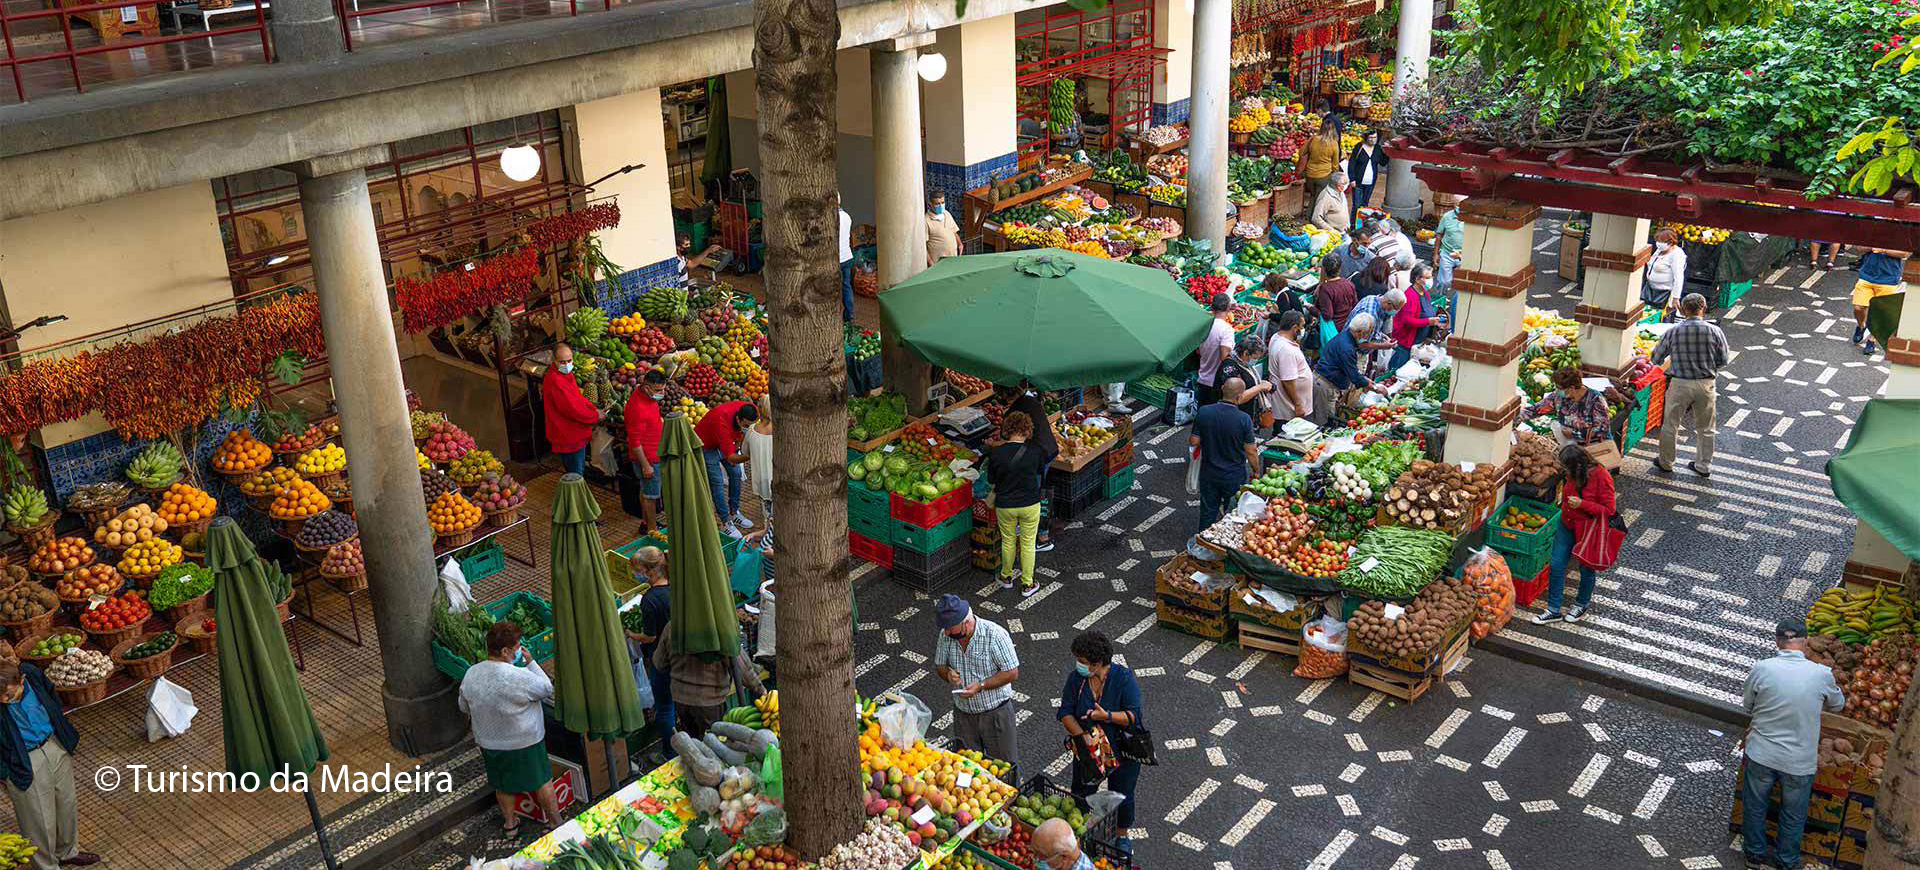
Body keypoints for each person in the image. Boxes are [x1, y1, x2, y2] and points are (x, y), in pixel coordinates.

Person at [1739, 618, 1845, 870]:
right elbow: (1838, 705)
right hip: (1799, 760)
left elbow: (1748, 705)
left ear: (1777, 642)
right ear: (1806, 642)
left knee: (1755, 806)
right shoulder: (1821, 674)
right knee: (1793, 814)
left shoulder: (1762, 668)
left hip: (1762, 753)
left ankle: (1754, 855)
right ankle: (1786, 860)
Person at [458, 622, 561, 836]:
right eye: (517, 647)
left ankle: (510, 824)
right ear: (505, 651)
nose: (519, 651)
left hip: (490, 742)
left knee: (503, 785)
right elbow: (546, 689)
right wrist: (531, 663)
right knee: (541, 781)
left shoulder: (471, 673)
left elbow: (463, 706)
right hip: (525, 741)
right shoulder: (519, 676)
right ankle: (556, 822)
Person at [0, 661, 97, 870]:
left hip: (54, 744)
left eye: (8, 694)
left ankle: (67, 852)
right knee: (37, 819)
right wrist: (5, 773)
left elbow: (52, 698)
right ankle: (46, 866)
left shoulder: (32, 675)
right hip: (23, 760)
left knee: (66, 803)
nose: (3, 700)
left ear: (22, 681)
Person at [1057, 630, 1143, 852]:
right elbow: (1065, 712)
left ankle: (1122, 836)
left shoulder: (1123, 678)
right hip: (1088, 750)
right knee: (1082, 791)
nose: (1078, 664)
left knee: (1123, 794)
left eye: (1082, 661)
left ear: (1097, 663)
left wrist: (1107, 716)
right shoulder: (1076, 679)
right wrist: (1083, 737)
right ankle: (1081, 831)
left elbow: (1133, 716)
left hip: (1122, 751)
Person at [933, 594, 1022, 777]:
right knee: (968, 771)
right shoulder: (945, 636)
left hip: (995, 714)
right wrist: (948, 674)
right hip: (963, 715)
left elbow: (1012, 672)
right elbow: (940, 666)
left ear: (966, 623)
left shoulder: (994, 635)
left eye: (950, 628)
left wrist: (981, 685)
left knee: (1004, 771)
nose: (947, 632)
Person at [1531, 444, 1616, 624]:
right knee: (1556, 564)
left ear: (1576, 466)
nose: (1564, 472)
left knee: (1586, 568)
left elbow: (1609, 510)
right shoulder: (1572, 473)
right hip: (1567, 524)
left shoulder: (1601, 476)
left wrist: (1582, 504)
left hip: (1588, 529)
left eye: (1566, 468)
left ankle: (1581, 604)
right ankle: (1553, 609)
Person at [1650, 293, 1731, 477]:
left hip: (1679, 384)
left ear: (1683, 310)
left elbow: (1656, 358)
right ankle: (1703, 466)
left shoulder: (1673, 331)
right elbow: (1724, 360)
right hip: (1706, 384)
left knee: (1671, 425)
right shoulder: (1715, 331)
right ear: (1703, 308)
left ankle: (1666, 462)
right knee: (1706, 428)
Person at [652, 619, 765, 739]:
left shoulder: (672, 625)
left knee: (692, 742)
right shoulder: (720, 627)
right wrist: (761, 690)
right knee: (713, 742)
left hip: (682, 700)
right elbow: (742, 668)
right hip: (709, 702)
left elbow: (660, 663)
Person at [986, 411, 1048, 594]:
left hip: (1005, 505)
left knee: (1008, 541)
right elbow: (1040, 472)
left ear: (1007, 429)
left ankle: (1006, 576)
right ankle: (1028, 584)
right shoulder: (1035, 451)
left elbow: (991, 479)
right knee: (1028, 543)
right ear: (1027, 429)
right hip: (1030, 504)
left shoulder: (997, 453)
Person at [994, 382, 1059, 551]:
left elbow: (1011, 440)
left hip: (1037, 455)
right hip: (1049, 449)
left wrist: (993, 445)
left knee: (1034, 494)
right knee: (1041, 491)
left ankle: (1040, 538)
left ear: (1003, 394)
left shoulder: (1015, 411)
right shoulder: (1031, 400)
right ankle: (1041, 534)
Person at [1190, 377, 1260, 533]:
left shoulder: (1204, 411)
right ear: (1240, 396)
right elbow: (1251, 450)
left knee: (1208, 511)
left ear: (1222, 388)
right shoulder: (1244, 419)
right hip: (1234, 475)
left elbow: (1194, 441)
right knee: (1234, 513)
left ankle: (1203, 541)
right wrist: (1256, 470)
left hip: (1209, 473)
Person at [626, 547, 675, 760]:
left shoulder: (649, 600)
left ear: (649, 571)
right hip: (680, 655)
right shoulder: (675, 586)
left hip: (661, 658)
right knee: (676, 702)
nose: (636, 574)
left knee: (665, 707)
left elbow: (650, 636)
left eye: (638, 570)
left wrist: (631, 634)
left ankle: (669, 752)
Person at [695, 399, 760, 535]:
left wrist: (738, 447)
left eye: (751, 425)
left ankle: (734, 512)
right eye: (746, 425)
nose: (748, 428)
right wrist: (752, 455)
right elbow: (731, 458)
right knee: (717, 482)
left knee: (736, 473)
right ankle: (725, 522)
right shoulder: (722, 424)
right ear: (738, 419)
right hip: (706, 445)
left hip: (723, 440)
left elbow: (742, 435)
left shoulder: (751, 410)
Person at [541, 342, 601, 476]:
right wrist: (595, 416)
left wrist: (592, 409)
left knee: (577, 469)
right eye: (562, 362)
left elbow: (578, 398)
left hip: (574, 432)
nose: (567, 365)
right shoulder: (556, 381)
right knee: (575, 474)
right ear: (554, 361)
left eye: (569, 361)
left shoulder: (566, 374)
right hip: (568, 434)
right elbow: (572, 409)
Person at [1311, 314, 1379, 426]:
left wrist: (1365, 380)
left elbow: (1350, 370)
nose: (1368, 336)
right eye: (1368, 333)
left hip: (1325, 382)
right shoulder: (1347, 348)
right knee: (1323, 421)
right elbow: (1354, 376)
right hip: (1325, 385)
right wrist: (1375, 388)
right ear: (1360, 332)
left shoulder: (1345, 337)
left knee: (1324, 417)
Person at [624, 368, 669, 536]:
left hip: (654, 453)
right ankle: (652, 529)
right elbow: (634, 442)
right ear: (647, 387)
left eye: (663, 389)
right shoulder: (637, 408)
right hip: (649, 458)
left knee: (645, 490)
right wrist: (646, 465)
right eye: (658, 390)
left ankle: (646, 523)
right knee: (651, 496)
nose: (662, 393)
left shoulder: (647, 396)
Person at [1519, 367, 1611, 447]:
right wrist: (1517, 417)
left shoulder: (1596, 399)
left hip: (1594, 447)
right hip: (1571, 446)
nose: (1557, 390)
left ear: (1571, 388)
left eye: (1559, 388)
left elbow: (1602, 430)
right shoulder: (1558, 397)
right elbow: (1537, 409)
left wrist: (1573, 434)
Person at [1852, 246, 1908, 356]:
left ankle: (1872, 340)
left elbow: (1904, 253)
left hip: (1888, 279)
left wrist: (1883, 250)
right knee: (1858, 307)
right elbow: (1859, 248)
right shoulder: (1872, 235)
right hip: (1866, 276)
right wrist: (1871, 247)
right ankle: (1861, 326)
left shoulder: (1899, 237)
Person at [1387, 265, 1442, 373]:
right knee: (1399, 370)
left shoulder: (1425, 292)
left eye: (1431, 277)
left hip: (1419, 341)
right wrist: (1428, 321)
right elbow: (1407, 320)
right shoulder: (1410, 295)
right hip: (1407, 341)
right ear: (1417, 279)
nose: (1431, 280)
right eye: (1427, 277)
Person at [1265, 310, 1313, 427]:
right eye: (1302, 326)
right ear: (1294, 327)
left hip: (1285, 404)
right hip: (1289, 409)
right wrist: (1298, 405)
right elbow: (1288, 381)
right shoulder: (1286, 350)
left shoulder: (1277, 337)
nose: (1303, 330)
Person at [1194, 293, 1237, 407]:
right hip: (1217, 382)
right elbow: (1224, 357)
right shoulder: (1226, 330)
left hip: (1203, 378)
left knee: (1203, 411)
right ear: (1228, 308)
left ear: (1212, 307)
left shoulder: (1204, 325)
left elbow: (1198, 351)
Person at [1346, 287, 1403, 372]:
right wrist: (1383, 346)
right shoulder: (1370, 314)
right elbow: (1360, 343)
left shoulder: (1375, 301)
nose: (1395, 312)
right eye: (1396, 309)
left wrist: (1383, 337)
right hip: (1353, 353)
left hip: (1359, 351)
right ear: (1388, 303)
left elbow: (1375, 331)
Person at [1218, 335, 1273, 423]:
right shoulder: (1230, 367)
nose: (1255, 361)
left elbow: (1248, 382)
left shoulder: (1243, 364)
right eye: (1254, 358)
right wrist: (1260, 387)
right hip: (1234, 417)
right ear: (1245, 353)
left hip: (1248, 414)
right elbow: (1237, 398)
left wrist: (1261, 383)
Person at [744, 396, 774, 541]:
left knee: (767, 512)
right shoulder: (784, 431)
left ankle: (767, 536)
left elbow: (745, 452)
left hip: (761, 479)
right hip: (778, 479)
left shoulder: (752, 430)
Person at [1299, 119, 1343, 215]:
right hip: (1324, 176)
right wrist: (1336, 177)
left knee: (1313, 196)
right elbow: (1335, 165)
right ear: (1333, 130)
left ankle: (1310, 217)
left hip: (1310, 174)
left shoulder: (1313, 139)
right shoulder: (1334, 144)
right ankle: (1313, 218)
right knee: (1319, 199)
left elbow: (1302, 152)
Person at [1642, 228, 1687, 317]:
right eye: (1657, 241)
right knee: (1646, 315)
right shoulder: (1659, 250)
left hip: (1664, 294)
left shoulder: (1677, 254)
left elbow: (1679, 277)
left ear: (1670, 242)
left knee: (1657, 316)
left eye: (1661, 241)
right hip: (1649, 290)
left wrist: (1676, 297)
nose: (1658, 243)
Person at [1346, 130, 1387, 222]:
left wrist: (1387, 153)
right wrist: (1352, 179)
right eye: (1371, 137)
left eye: (1375, 137)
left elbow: (1383, 162)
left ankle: (1361, 224)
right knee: (1357, 205)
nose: (1373, 140)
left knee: (1365, 204)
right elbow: (1352, 164)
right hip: (1358, 182)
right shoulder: (1359, 147)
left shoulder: (1377, 149)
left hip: (1370, 182)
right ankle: (1353, 224)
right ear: (1366, 138)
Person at [1314, 253, 1358, 333]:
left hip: (1334, 330)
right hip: (1348, 326)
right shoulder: (1349, 284)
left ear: (1323, 269)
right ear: (1340, 268)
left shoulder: (1325, 289)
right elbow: (1355, 305)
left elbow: (1327, 315)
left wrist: (1310, 308)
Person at [1433, 197, 1465, 299]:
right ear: (1454, 205)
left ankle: (1457, 301)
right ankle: (1440, 300)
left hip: (1464, 255)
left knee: (1463, 282)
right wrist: (1436, 254)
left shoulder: (1471, 218)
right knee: (1444, 282)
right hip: (1447, 253)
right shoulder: (1447, 217)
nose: (1460, 207)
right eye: (1458, 205)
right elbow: (1439, 235)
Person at [926, 189, 962, 266]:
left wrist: (960, 244)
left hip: (953, 259)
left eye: (942, 203)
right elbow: (923, 246)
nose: (941, 206)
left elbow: (954, 231)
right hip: (938, 263)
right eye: (937, 204)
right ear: (930, 204)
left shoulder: (946, 213)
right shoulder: (926, 221)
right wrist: (931, 263)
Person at [839, 205, 855, 322]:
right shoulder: (847, 216)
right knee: (846, 286)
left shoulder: (833, 218)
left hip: (837, 258)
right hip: (847, 256)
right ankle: (849, 314)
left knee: (832, 287)